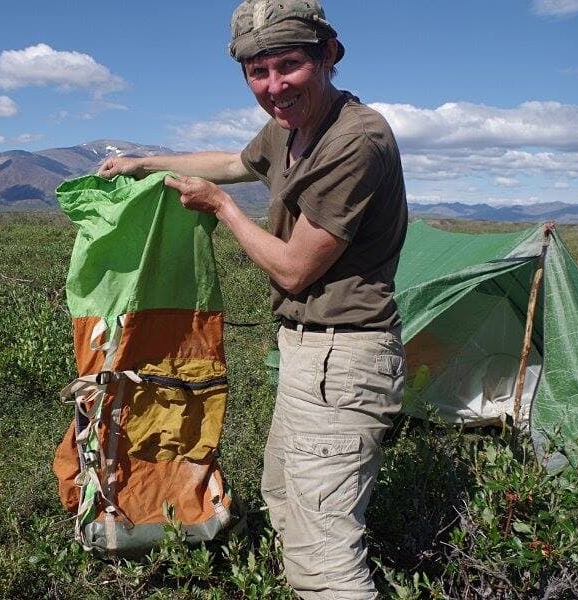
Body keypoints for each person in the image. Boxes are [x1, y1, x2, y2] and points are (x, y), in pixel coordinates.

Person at [98, 1, 408, 597]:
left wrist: (221, 208)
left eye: (289, 65)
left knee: (324, 555)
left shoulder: (356, 139)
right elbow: (233, 162)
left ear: (329, 56)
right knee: (286, 501)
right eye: (257, 73)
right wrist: (144, 163)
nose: (274, 86)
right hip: (305, 356)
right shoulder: (289, 130)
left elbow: (294, 270)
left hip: (345, 359)